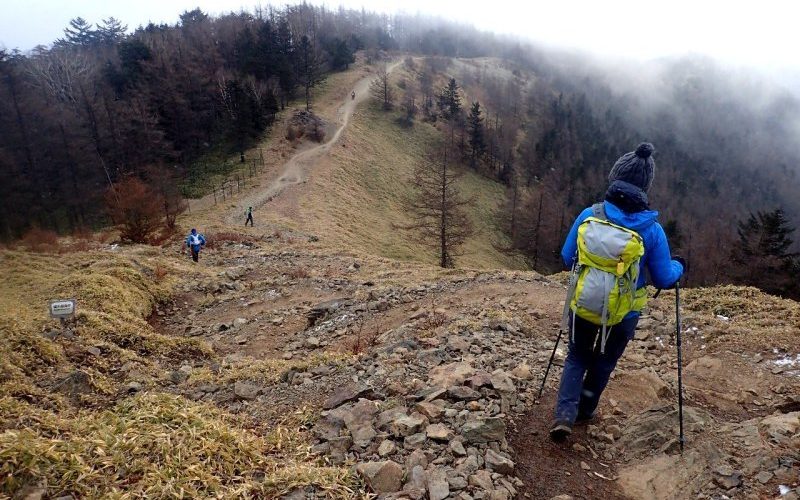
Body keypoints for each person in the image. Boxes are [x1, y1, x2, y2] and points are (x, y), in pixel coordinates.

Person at [550, 142, 685, 442]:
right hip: (624, 313)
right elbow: (664, 278)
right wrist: (680, 266)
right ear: (645, 187)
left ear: (615, 177)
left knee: (576, 357)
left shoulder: (590, 214)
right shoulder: (652, 230)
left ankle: (564, 415)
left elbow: (565, 255)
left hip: (584, 301)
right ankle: (586, 410)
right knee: (604, 362)